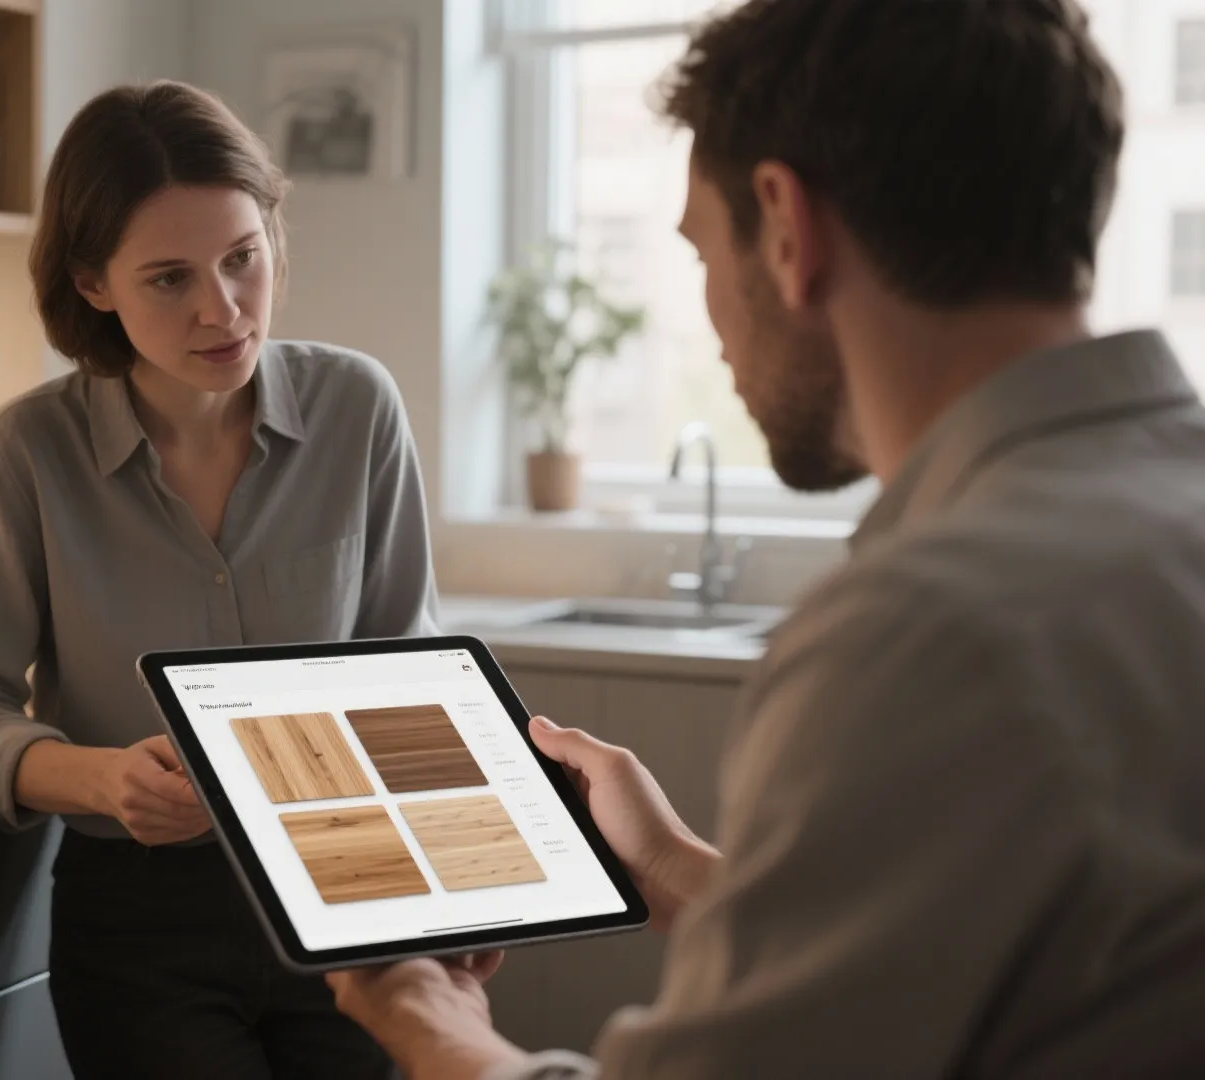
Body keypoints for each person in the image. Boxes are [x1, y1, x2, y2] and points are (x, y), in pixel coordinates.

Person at [327, 1, 1205, 1077]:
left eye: (702, 249)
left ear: (786, 229)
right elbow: (973, 943)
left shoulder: (930, 624)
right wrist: (675, 867)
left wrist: (427, 1017)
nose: (712, 321)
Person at [0, 80, 438, 1080]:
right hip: (138, 924)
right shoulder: (30, 450)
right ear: (94, 282)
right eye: (168, 278)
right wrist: (103, 781)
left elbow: (411, 668)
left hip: (353, 890)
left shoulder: (358, 407)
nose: (222, 308)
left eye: (243, 258)